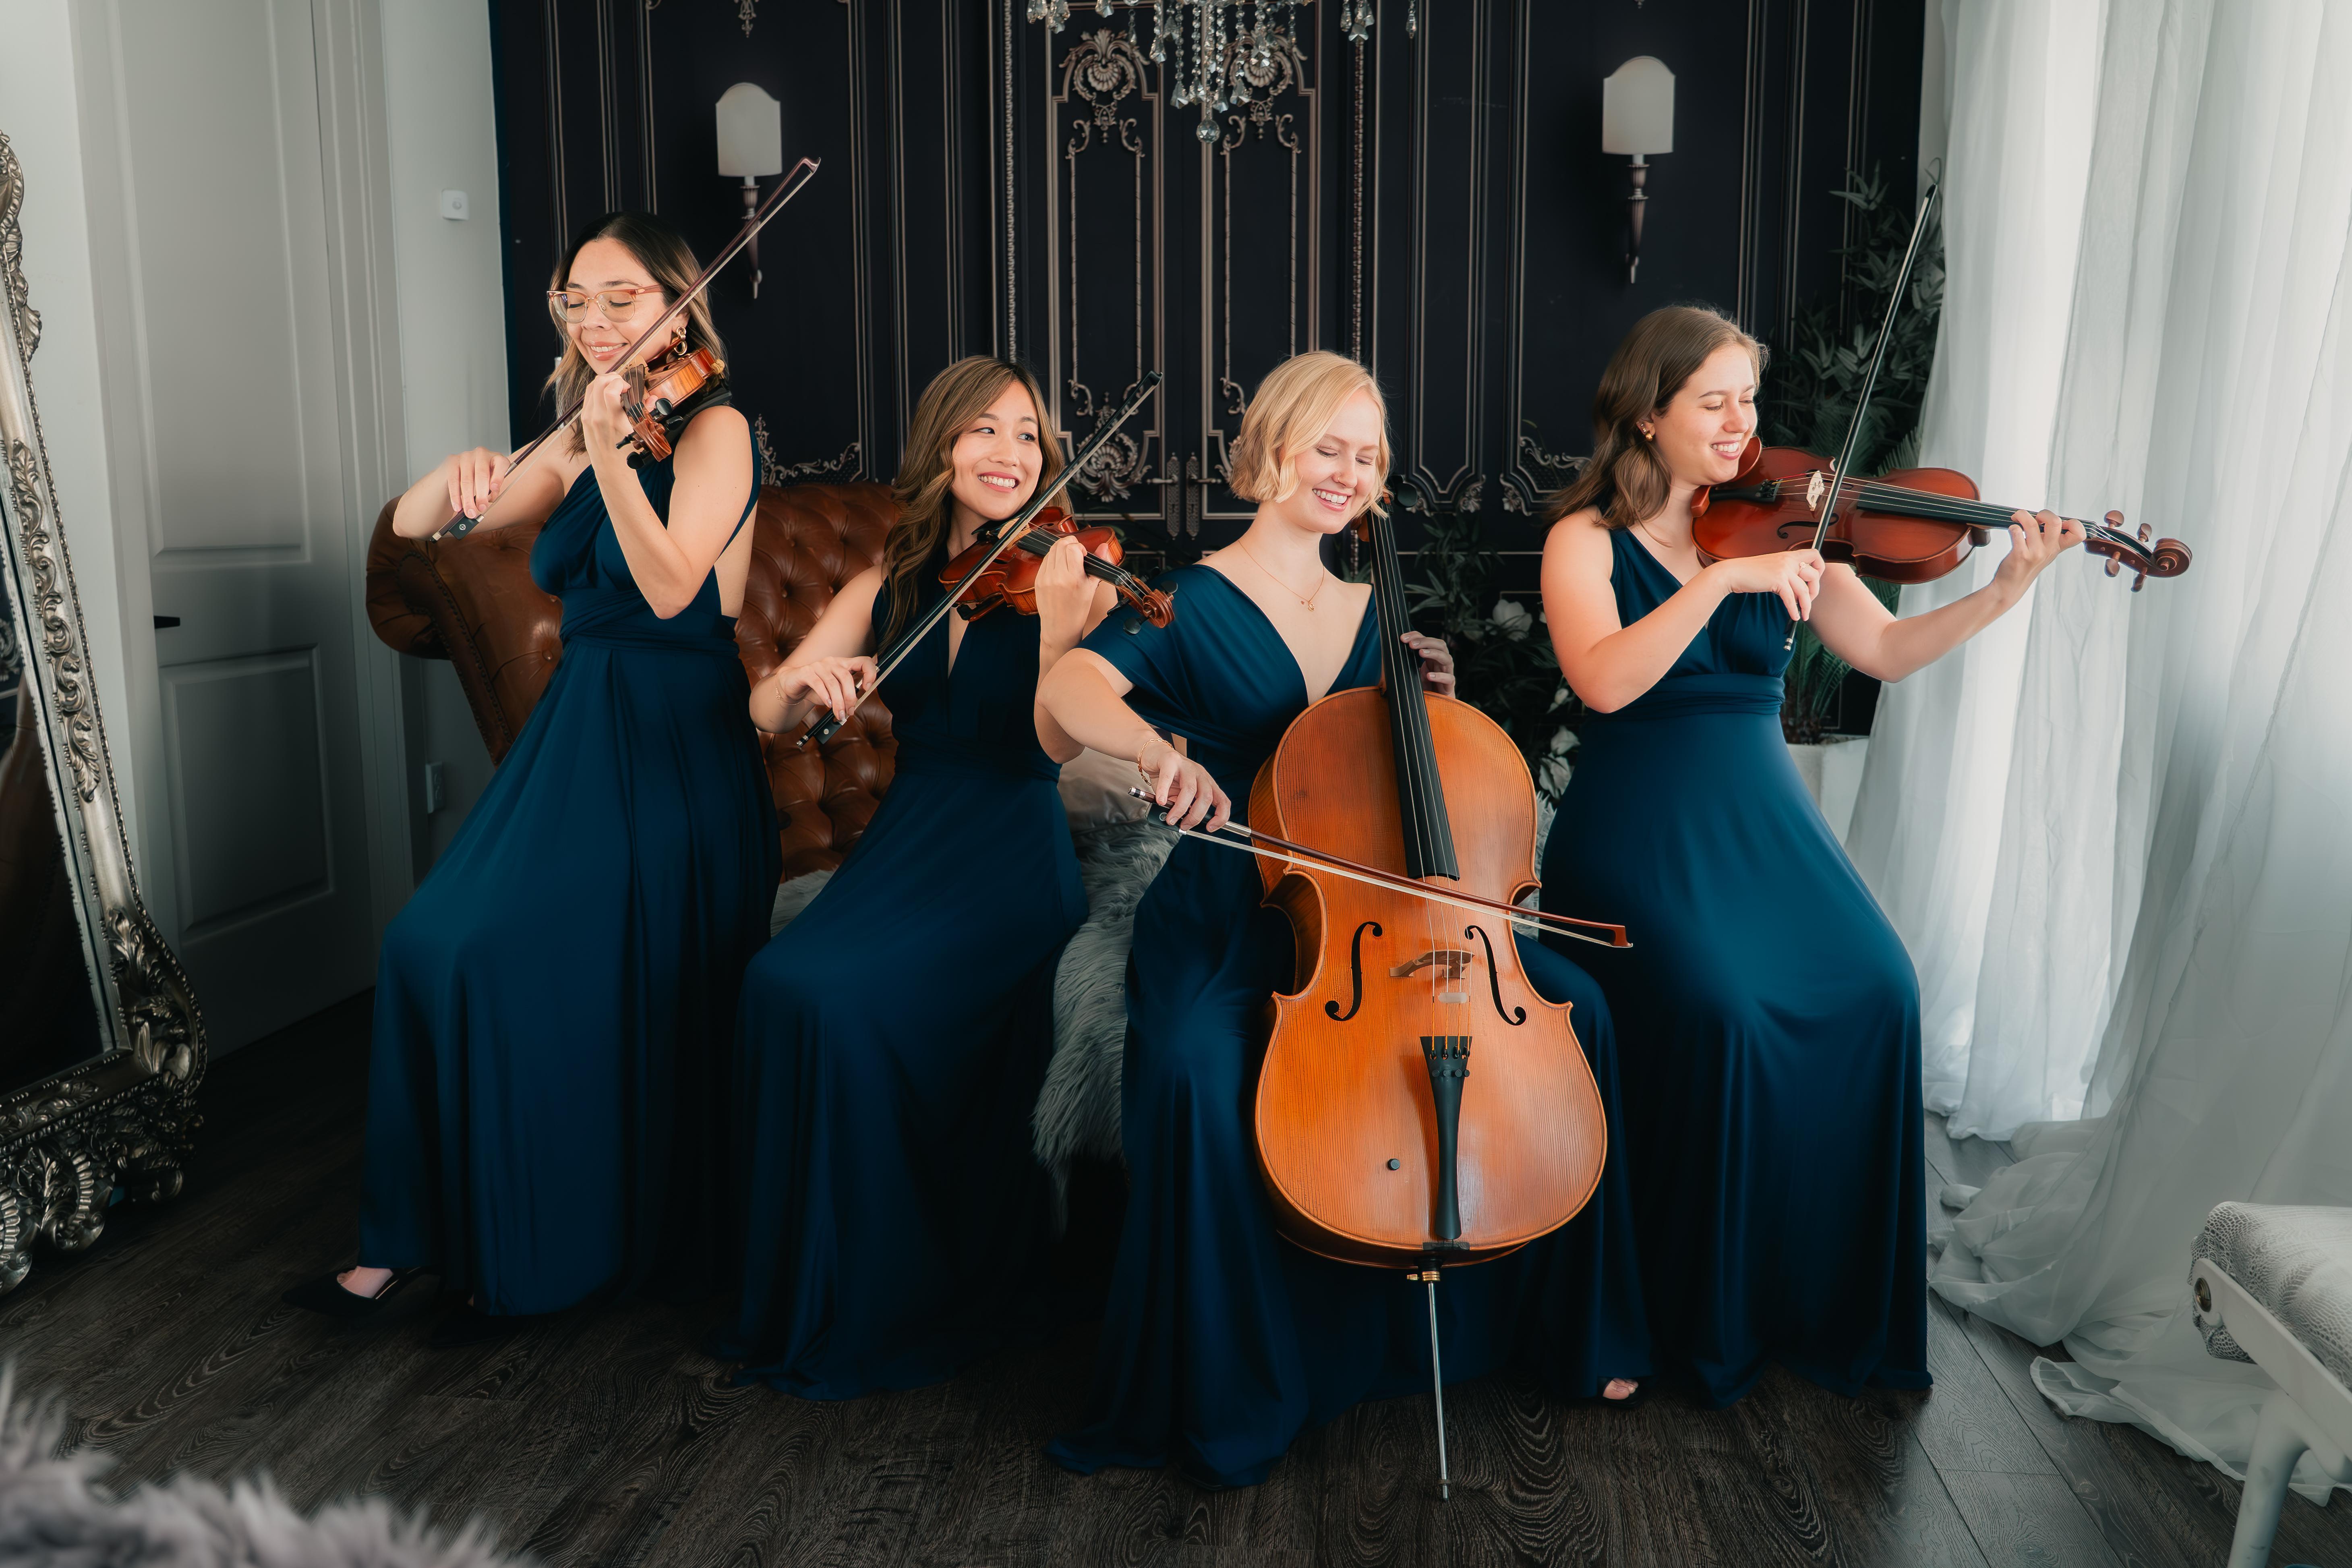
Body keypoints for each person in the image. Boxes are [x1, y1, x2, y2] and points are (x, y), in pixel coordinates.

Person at [1035, 350, 1650, 1489]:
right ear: (1272, 448)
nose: (1349, 473)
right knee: (1192, 1067)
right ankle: (1232, 1374)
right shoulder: (1192, 598)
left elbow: (1412, 776)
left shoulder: (1383, 614)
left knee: (1585, 1013)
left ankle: (1566, 1327)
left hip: (1375, 905)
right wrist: (1159, 753)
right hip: (1233, 907)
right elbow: (1068, 693)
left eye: (1368, 457)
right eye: (1329, 447)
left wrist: (1434, 706)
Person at [1536, 304, 2083, 1406]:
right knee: (1726, 1010)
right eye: (1714, 402)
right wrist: (1715, 584)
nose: (1741, 423)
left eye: (1748, 399)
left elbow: (1886, 648)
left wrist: (2003, 589)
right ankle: (1695, 1313)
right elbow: (1604, 681)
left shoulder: (1790, 521)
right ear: (1646, 415)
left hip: (1761, 814)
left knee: (1882, 988)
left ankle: (1816, 1302)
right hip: (1641, 826)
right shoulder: (1585, 540)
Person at [283, 211, 776, 1345]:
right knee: (429, 945)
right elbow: (435, 530)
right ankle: (403, 1244)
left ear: (679, 303)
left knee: (510, 961)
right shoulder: (578, 431)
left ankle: (532, 1249)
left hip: (673, 740)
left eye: (621, 298)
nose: (595, 320)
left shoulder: (715, 429)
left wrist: (609, 450)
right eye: (575, 301)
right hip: (582, 725)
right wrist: (446, 478)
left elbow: (672, 589)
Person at [717, 356, 1113, 1399]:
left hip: (1010, 857)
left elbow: (1055, 750)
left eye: (1028, 435)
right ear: (942, 444)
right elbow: (766, 712)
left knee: (834, 999)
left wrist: (1061, 633)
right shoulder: (890, 581)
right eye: (985, 430)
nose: (1010, 453)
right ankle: (815, 1280)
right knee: (778, 983)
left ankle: (900, 1279)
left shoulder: (1069, 580)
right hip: (911, 841)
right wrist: (802, 682)